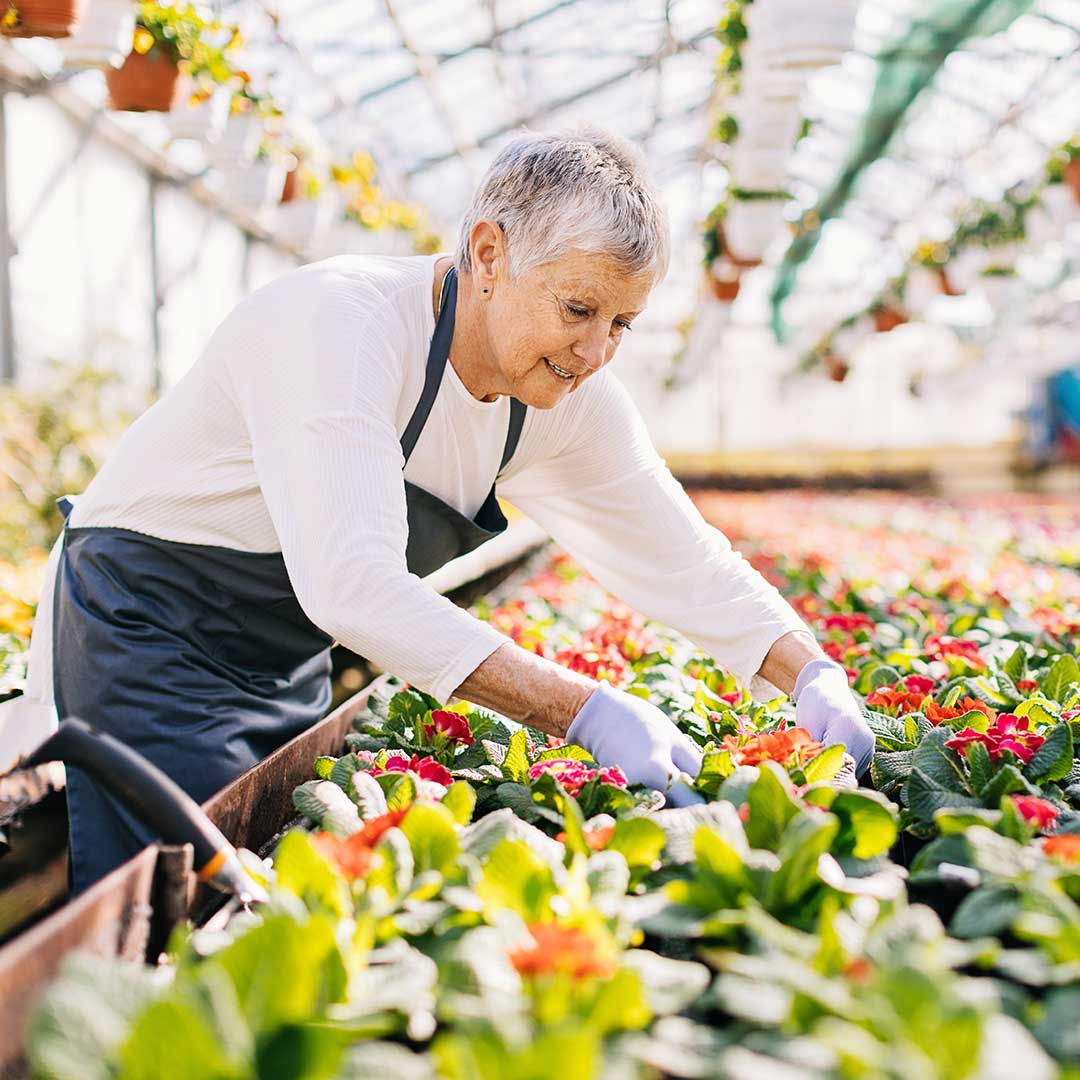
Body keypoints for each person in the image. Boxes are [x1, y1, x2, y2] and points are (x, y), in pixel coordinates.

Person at [25, 127, 874, 894]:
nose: (594, 351)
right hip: (146, 630)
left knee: (265, 876)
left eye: (623, 322)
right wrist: (585, 711)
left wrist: (809, 672)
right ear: (489, 253)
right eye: (578, 309)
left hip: (281, 655)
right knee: (184, 898)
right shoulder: (341, 327)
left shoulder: (568, 392)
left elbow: (679, 553)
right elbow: (353, 587)